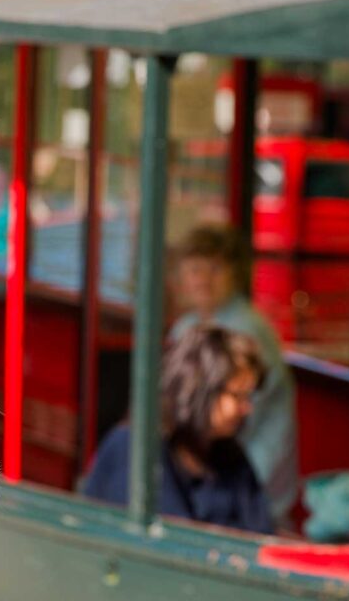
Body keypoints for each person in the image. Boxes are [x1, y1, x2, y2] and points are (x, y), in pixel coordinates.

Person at [84, 326, 273, 534]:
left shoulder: (231, 457)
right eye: (237, 396)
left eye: (248, 396)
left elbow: (260, 532)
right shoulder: (133, 449)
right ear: (200, 391)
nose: (247, 408)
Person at [169, 224, 298, 527]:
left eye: (215, 269)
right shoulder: (185, 327)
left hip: (255, 470)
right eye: (195, 270)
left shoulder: (247, 330)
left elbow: (237, 418)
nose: (203, 280)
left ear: (234, 274)